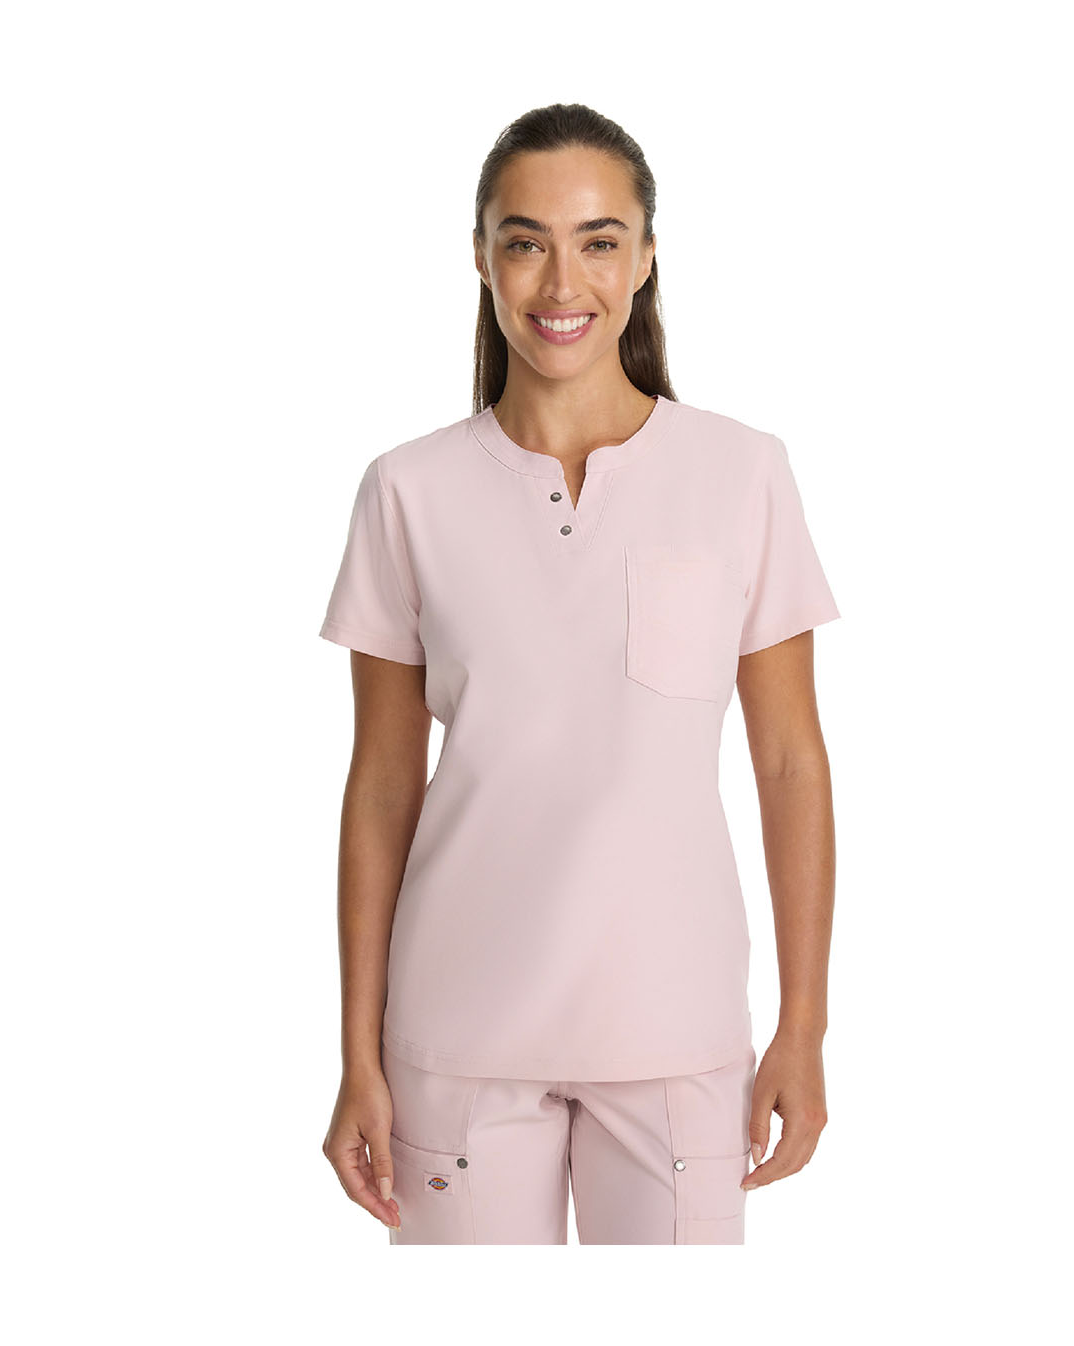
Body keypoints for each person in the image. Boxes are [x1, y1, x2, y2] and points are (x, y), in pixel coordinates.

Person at [318, 103, 841, 1245]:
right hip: (457, 1039)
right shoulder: (407, 491)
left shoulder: (743, 473)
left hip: (676, 1032)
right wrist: (357, 1052)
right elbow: (382, 786)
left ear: (646, 257)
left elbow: (791, 762)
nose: (563, 281)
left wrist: (802, 1025)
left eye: (600, 241)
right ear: (481, 257)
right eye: (526, 241)